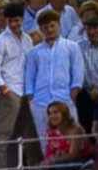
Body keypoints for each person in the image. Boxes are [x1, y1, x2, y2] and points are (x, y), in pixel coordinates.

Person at [25, 8, 86, 152]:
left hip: (64, 97)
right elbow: (30, 75)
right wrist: (30, 97)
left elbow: (78, 70)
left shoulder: (71, 47)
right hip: (41, 100)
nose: (49, 30)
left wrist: (74, 90)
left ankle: (71, 168)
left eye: (52, 26)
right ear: (40, 29)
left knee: (71, 135)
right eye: (45, 27)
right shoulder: (35, 52)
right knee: (45, 139)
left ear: (58, 24)